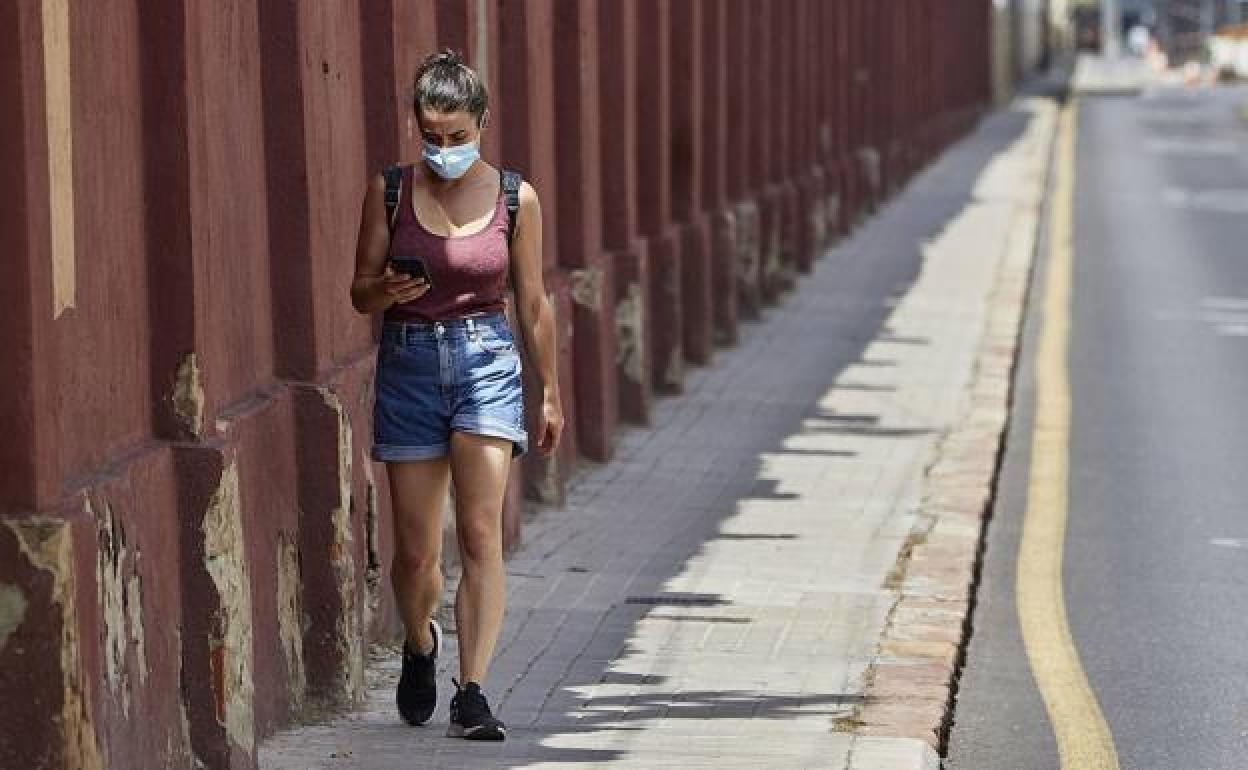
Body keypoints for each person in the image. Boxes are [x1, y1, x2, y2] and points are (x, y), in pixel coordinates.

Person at [350, 49, 564, 741]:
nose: (444, 150)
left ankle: (471, 693)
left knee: (479, 532)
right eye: (432, 136)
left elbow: (532, 303)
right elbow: (360, 291)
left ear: (482, 123)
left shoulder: (514, 197)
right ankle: (419, 642)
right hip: (409, 364)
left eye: (457, 136)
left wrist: (551, 392)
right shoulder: (388, 190)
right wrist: (387, 291)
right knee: (415, 554)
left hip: (487, 363)